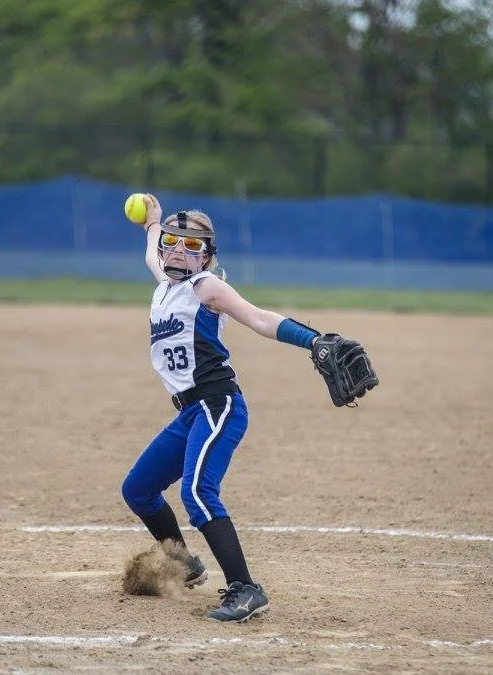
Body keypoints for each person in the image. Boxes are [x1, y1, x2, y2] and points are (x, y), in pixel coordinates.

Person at [120, 193, 338, 623]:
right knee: (138, 490)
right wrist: (153, 224)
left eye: (192, 246)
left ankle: (246, 588)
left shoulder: (205, 287)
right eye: (171, 242)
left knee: (198, 492)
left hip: (217, 404)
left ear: (207, 257)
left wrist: (313, 340)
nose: (178, 251)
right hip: (189, 413)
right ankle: (183, 564)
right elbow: (151, 251)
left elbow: (259, 318)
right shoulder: (165, 285)